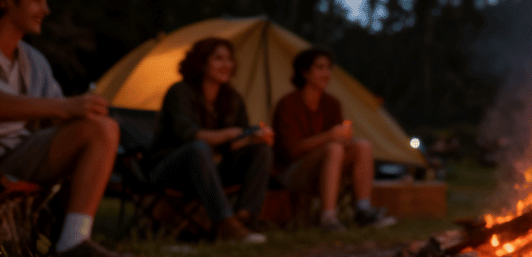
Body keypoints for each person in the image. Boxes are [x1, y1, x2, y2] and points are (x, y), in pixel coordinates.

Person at [0, 0, 129, 257]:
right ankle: (70, 241)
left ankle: (75, 239)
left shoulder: (33, 61)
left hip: (23, 153)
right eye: (37, 0)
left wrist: (82, 112)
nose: (45, 10)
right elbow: (55, 107)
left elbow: (57, 114)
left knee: (102, 128)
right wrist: (65, 107)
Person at [147, 37, 273, 244]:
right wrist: (230, 134)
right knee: (198, 148)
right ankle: (226, 223)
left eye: (229, 59)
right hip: (172, 168)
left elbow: (237, 140)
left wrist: (254, 137)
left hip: (213, 168)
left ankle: (245, 218)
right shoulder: (180, 92)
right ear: (201, 62)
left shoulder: (232, 98)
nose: (226, 65)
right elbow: (187, 134)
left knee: (261, 150)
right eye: (218, 59)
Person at [272, 48, 394, 232]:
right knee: (333, 148)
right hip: (292, 171)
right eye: (320, 68)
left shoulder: (331, 103)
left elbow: (339, 144)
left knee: (362, 145)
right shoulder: (288, 104)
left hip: (327, 167)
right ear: (305, 73)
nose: (326, 73)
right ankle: (328, 217)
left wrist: (343, 138)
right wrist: (329, 137)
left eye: (328, 68)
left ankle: (362, 209)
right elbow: (291, 150)